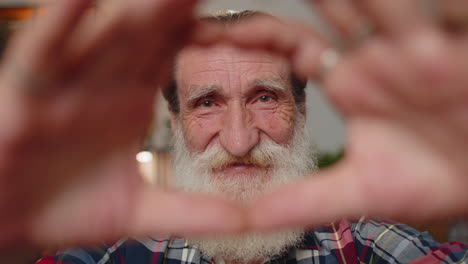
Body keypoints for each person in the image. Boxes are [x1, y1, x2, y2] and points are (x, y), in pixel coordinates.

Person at [35, 10, 468, 264]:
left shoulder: (368, 248)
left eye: (264, 97)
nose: (240, 141)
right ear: (174, 119)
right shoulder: (116, 255)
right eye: (207, 103)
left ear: (300, 110)